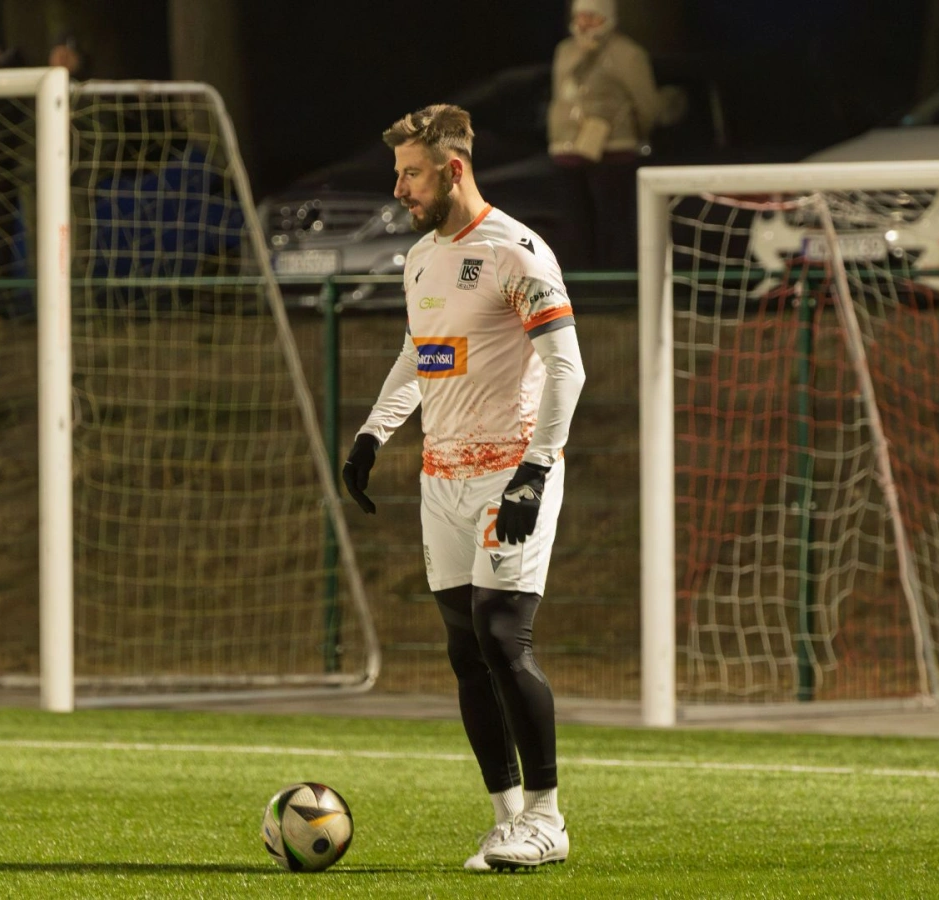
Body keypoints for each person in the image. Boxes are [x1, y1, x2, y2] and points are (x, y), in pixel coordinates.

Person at [342, 104, 586, 871]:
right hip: (440, 477)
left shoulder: (516, 252)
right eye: (398, 173)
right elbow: (423, 352)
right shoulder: (420, 258)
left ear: (453, 170)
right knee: (465, 648)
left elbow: (568, 369)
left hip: (510, 472)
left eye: (411, 173)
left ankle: (547, 818)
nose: (399, 188)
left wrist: (535, 472)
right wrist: (373, 433)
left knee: (502, 636)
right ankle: (507, 821)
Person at [547, 0, 659, 270]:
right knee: (575, 226)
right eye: (580, 16)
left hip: (613, 153)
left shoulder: (627, 54)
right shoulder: (565, 51)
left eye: (592, 16)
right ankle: (580, 283)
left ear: (607, 18)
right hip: (567, 153)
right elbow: (559, 96)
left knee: (613, 225)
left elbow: (647, 105)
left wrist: (637, 134)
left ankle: (615, 283)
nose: (584, 23)